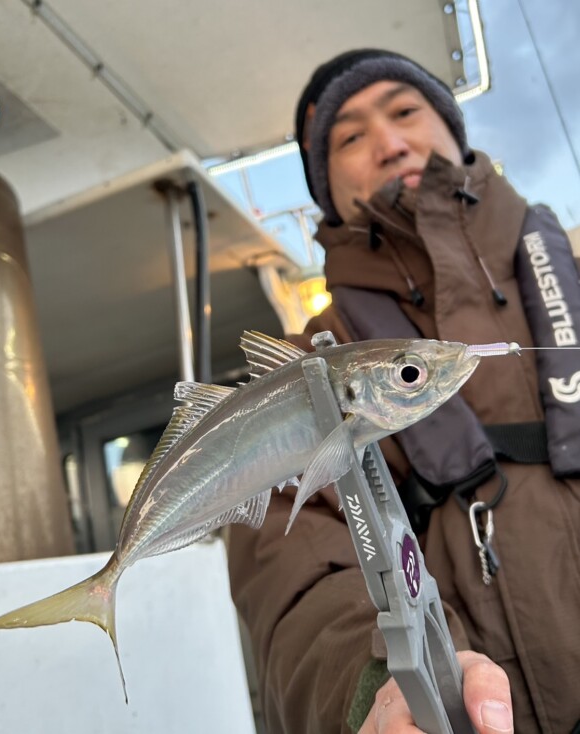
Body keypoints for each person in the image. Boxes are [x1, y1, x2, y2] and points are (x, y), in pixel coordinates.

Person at [228, 49, 580, 734]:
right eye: (351, 137)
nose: (389, 144)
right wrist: (380, 681)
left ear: (451, 126)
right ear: (323, 184)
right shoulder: (307, 367)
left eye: (406, 111)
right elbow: (292, 578)